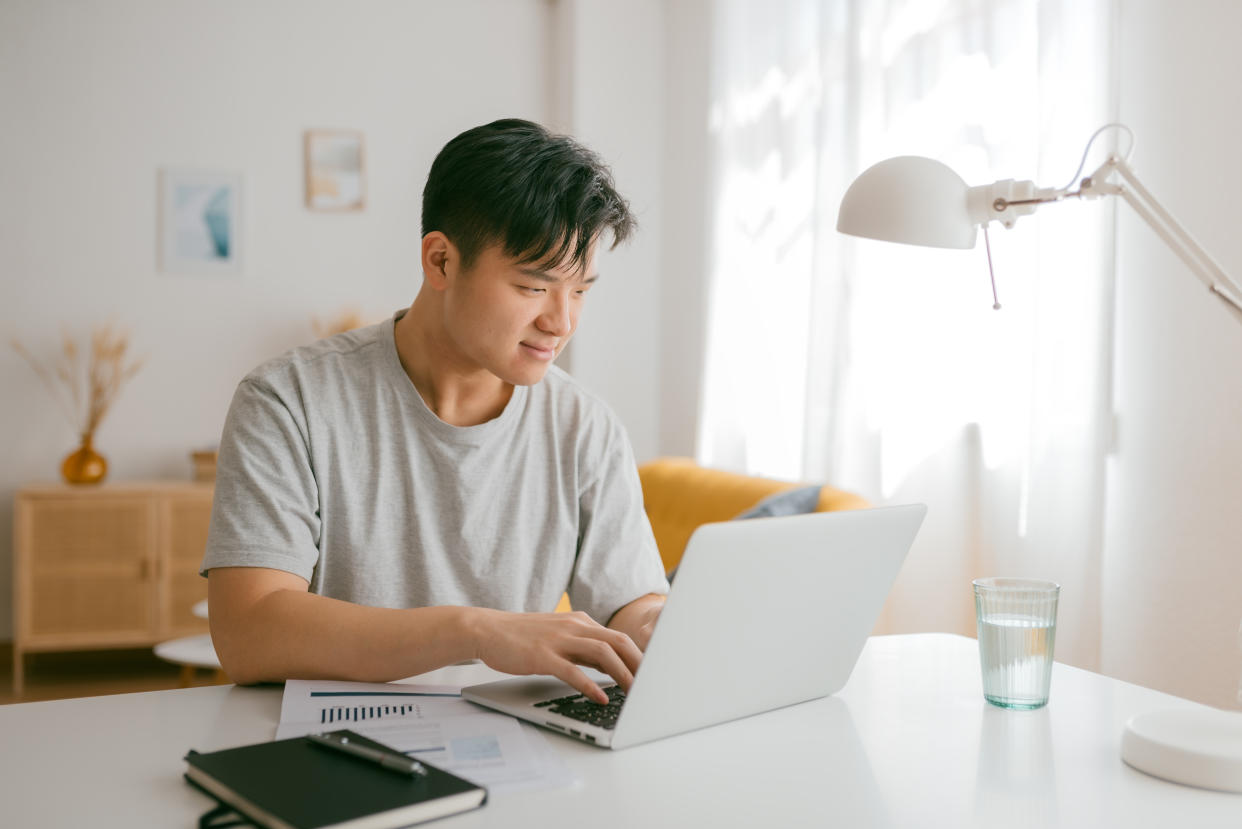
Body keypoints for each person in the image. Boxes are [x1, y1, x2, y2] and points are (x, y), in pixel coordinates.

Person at [202, 119, 668, 705]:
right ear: (441, 261)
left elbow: (631, 604)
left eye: (580, 291)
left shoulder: (586, 428)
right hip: (334, 745)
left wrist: (657, 625)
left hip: (518, 742)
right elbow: (248, 634)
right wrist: (475, 633)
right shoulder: (288, 401)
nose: (561, 322)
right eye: (534, 287)